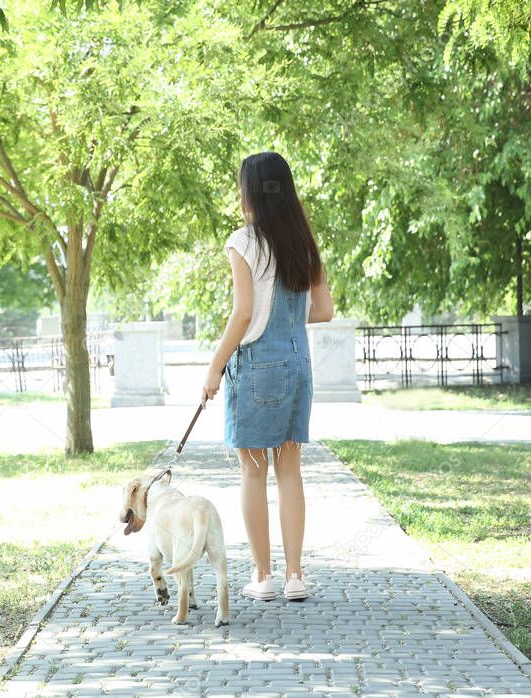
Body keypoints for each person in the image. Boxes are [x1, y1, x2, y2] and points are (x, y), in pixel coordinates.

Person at [201, 151, 334, 602]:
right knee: (290, 471)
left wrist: (215, 366)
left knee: (253, 472)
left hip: (257, 367)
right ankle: (296, 576)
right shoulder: (303, 242)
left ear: (250, 192)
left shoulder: (244, 241)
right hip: (298, 365)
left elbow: (241, 315)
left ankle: (263, 577)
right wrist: (289, 322)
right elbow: (325, 311)